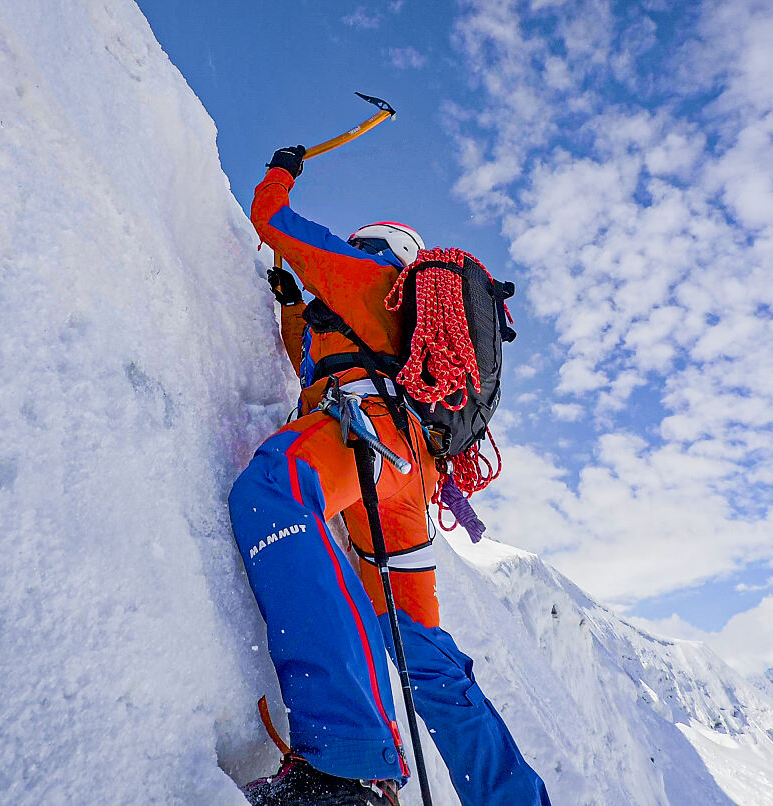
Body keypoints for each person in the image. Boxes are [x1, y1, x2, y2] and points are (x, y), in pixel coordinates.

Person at [228, 146, 552, 806]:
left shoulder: (369, 274)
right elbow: (311, 353)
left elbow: (272, 218)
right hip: (410, 477)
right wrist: (295, 303)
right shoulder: (394, 323)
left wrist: (282, 167)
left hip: (364, 435)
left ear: (375, 248)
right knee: (418, 645)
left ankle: (350, 759)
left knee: (275, 491)